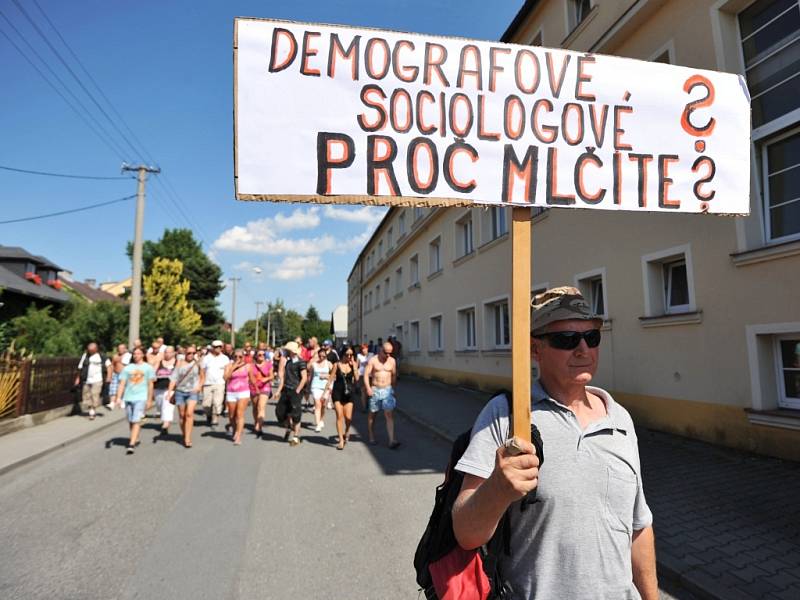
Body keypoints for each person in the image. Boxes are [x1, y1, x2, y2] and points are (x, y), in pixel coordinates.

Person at [451, 287, 657, 599]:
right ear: (535, 349)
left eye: (592, 337)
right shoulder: (506, 416)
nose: (583, 349)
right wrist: (497, 488)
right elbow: (465, 533)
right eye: (566, 339)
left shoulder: (621, 420)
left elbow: (639, 527)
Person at [114, 347, 155, 455]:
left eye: (138, 353)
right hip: (128, 397)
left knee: (137, 420)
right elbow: (122, 383)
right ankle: (135, 436)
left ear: (143, 355)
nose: (136, 355)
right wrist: (118, 397)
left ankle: (131, 444)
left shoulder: (148, 368)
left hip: (141, 397)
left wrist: (150, 399)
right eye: (134, 354)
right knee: (131, 420)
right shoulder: (127, 368)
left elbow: (150, 384)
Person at [364, 341, 400, 449]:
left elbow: (393, 375)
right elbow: (366, 375)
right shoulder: (373, 360)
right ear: (381, 350)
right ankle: (371, 436)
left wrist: (393, 389)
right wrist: (368, 388)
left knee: (389, 415)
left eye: (390, 353)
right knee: (373, 415)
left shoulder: (392, 361)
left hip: (387, 390)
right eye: (386, 353)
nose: (388, 355)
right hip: (375, 390)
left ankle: (391, 440)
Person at [167, 344, 202, 448]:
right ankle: (184, 433)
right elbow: (174, 379)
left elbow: (203, 376)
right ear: (185, 353)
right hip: (180, 391)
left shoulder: (198, 364)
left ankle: (187, 438)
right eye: (189, 353)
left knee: (189, 414)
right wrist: (169, 392)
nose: (191, 355)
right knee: (182, 415)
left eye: (193, 353)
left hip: (192, 392)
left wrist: (199, 386)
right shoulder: (180, 364)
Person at [274, 341, 308, 446]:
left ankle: (296, 436)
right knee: (280, 411)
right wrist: (279, 390)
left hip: (295, 390)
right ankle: (288, 427)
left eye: (287, 350)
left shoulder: (301, 362)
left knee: (296, 413)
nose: (286, 352)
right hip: (286, 389)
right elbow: (283, 378)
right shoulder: (288, 362)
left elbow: (304, 378)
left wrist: (298, 390)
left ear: (292, 351)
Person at [325, 347, 359, 450]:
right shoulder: (336, 365)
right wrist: (324, 394)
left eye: (351, 355)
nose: (349, 357)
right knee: (339, 416)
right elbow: (330, 379)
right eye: (347, 355)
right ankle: (341, 440)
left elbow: (357, 379)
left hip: (349, 394)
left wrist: (354, 367)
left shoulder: (353, 365)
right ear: (342, 354)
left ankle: (347, 431)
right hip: (337, 393)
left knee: (348, 418)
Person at [224, 349, 251, 445]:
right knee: (232, 416)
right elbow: (225, 378)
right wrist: (233, 367)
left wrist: (254, 392)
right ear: (232, 357)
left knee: (240, 414)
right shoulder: (228, 366)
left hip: (243, 392)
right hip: (231, 392)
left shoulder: (247, 366)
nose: (238, 358)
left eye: (240, 356)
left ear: (243, 357)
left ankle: (238, 435)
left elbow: (251, 380)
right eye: (235, 356)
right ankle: (235, 429)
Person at [75, 342, 106, 421]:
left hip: (98, 380)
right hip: (87, 379)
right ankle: (90, 408)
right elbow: (80, 367)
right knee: (87, 396)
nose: (90, 352)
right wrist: (78, 378)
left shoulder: (101, 356)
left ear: (96, 349)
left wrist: (109, 377)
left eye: (92, 350)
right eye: (89, 350)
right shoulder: (85, 356)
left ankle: (92, 410)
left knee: (95, 395)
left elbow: (109, 366)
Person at [202, 340, 230, 428]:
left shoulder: (225, 358)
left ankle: (215, 418)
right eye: (216, 347)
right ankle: (209, 415)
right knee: (206, 404)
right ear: (212, 348)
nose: (218, 349)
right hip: (207, 383)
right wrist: (201, 382)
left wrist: (226, 380)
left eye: (220, 347)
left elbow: (227, 370)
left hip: (220, 383)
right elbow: (202, 371)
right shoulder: (206, 358)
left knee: (217, 402)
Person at [248, 348, 273, 438]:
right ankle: (256, 422)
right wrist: (255, 385)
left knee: (261, 407)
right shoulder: (251, 366)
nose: (262, 356)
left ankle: (259, 425)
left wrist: (265, 379)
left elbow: (271, 376)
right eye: (259, 354)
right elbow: (250, 377)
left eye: (263, 354)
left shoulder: (268, 364)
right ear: (256, 356)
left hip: (265, 387)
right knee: (255, 407)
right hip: (254, 388)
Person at [153, 346, 177, 436]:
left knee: (167, 406)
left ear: (174, 353)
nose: (167, 354)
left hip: (171, 388)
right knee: (160, 406)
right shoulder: (159, 362)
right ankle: (165, 420)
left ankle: (165, 425)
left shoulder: (177, 362)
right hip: (158, 387)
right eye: (166, 352)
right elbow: (153, 372)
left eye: (169, 352)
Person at [308, 347, 332, 432]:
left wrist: (326, 376)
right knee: (318, 404)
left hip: (326, 387)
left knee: (323, 405)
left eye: (323, 356)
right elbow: (310, 376)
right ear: (318, 355)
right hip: (315, 386)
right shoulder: (314, 364)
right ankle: (318, 424)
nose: (321, 358)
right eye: (320, 356)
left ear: (326, 356)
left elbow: (334, 376)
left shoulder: (328, 364)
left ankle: (321, 419)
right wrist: (308, 386)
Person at [106, 343, 131, 409]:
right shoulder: (115, 356)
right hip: (116, 373)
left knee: (123, 388)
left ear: (125, 349)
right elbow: (112, 365)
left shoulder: (128, 356)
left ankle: (123, 401)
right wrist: (110, 375)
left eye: (122, 348)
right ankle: (112, 402)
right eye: (119, 348)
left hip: (124, 374)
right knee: (113, 388)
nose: (120, 350)